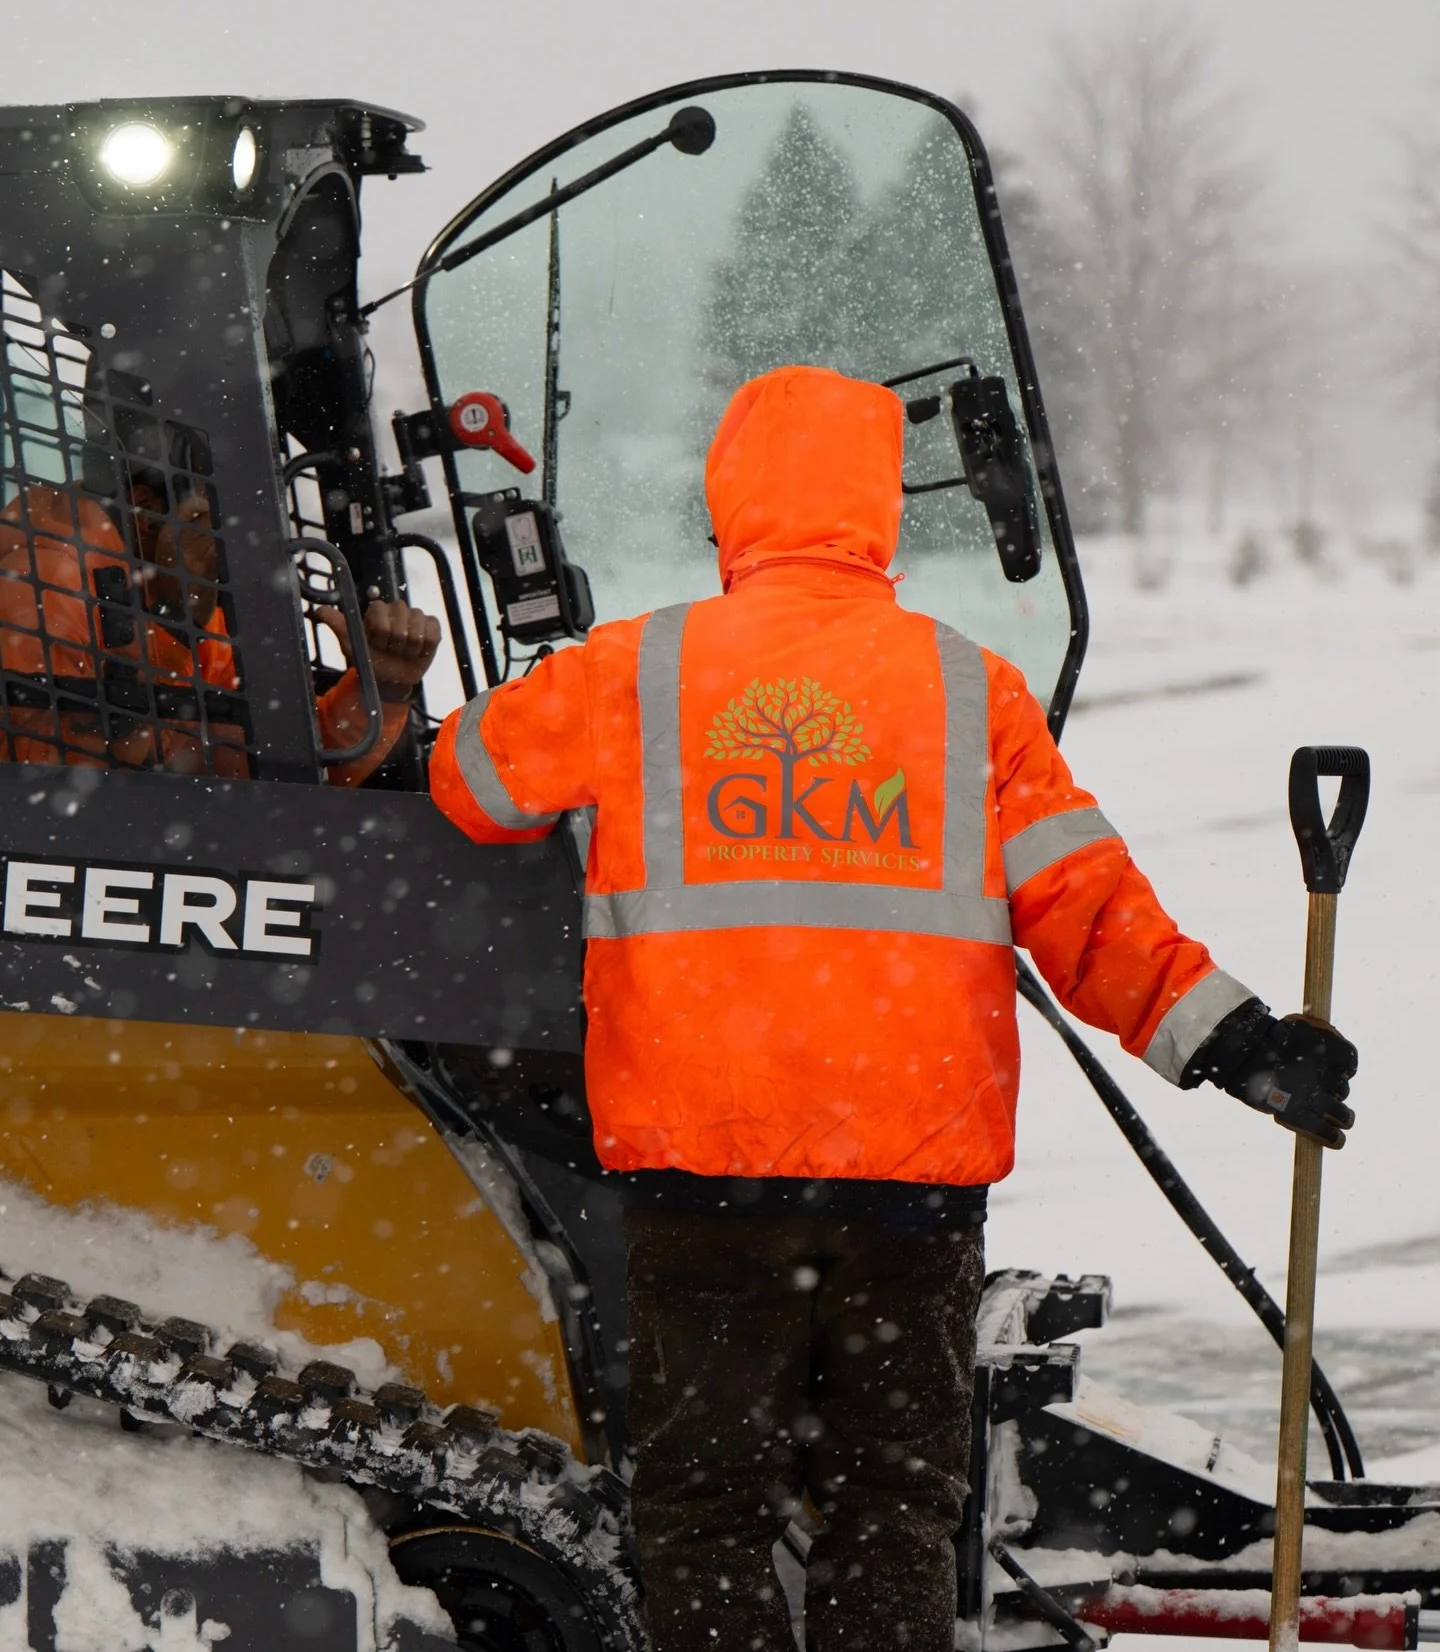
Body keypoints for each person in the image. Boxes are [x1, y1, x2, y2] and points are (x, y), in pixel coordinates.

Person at [427, 365, 1358, 1652]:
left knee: (705, 1502)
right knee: (898, 1502)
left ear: (727, 507)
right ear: (880, 511)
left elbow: (469, 783)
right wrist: (1239, 1041)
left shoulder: (638, 671)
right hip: (911, 1185)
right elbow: (1091, 913)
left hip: (707, 1175)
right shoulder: (971, 692)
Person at [0, 402, 439, 781]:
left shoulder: (188, 607)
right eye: (219, 509)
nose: (242, 533)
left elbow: (276, 772)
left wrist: (380, 691)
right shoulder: (41, 591)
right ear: (147, 511)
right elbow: (64, 798)